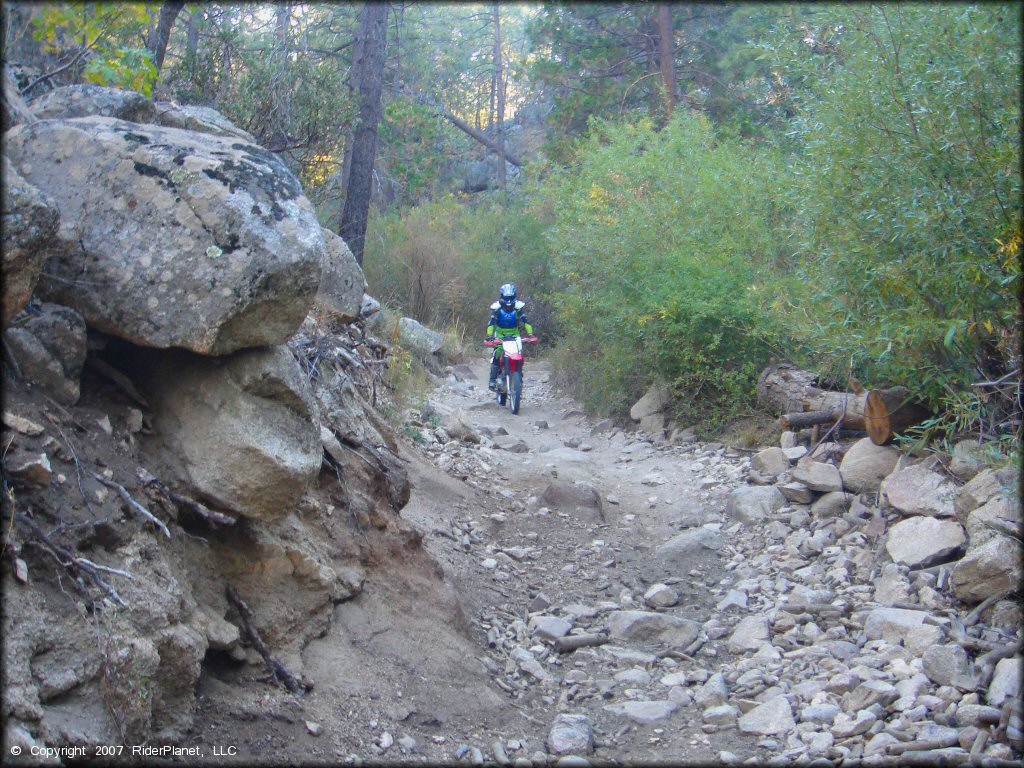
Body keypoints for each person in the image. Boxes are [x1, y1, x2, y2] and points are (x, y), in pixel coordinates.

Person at [486, 283, 534, 391]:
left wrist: (530, 334)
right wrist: (489, 336)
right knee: (497, 352)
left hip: (514, 333)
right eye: (507, 298)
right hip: (500, 333)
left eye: (510, 298)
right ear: (502, 296)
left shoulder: (518, 308)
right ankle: (492, 379)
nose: (508, 302)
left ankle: (518, 374)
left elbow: (525, 321)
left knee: (518, 352)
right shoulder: (497, 308)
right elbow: (491, 323)